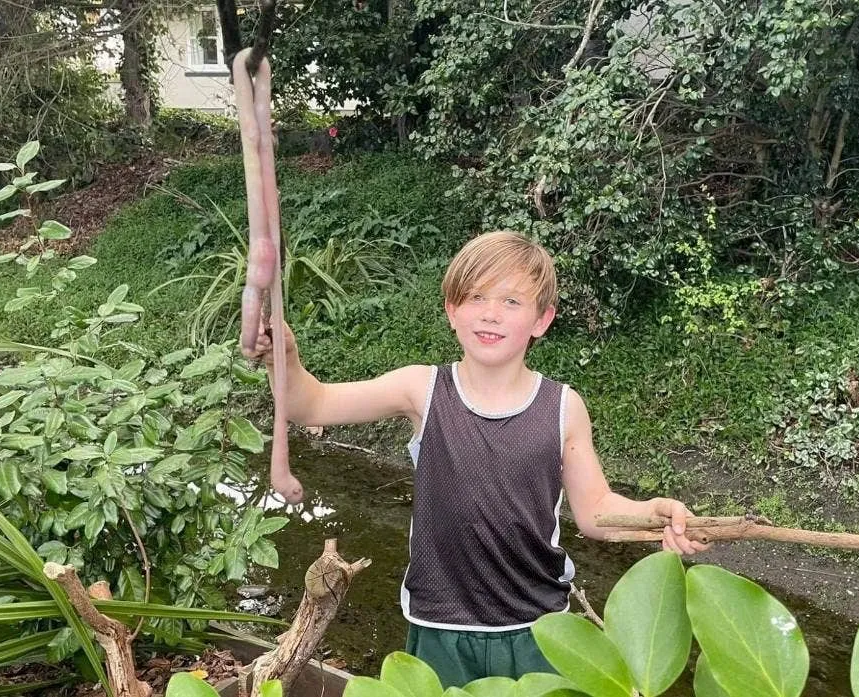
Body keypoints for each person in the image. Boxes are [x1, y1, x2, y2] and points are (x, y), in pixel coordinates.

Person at [243, 230, 707, 687]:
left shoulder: (564, 407)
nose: (490, 314)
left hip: (538, 628)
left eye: (511, 302)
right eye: (475, 298)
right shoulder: (420, 389)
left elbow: (597, 512)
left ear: (542, 320)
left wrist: (652, 514)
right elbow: (312, 405)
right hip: (440, 625)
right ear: (451, 310)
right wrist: (283, 356)